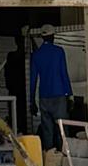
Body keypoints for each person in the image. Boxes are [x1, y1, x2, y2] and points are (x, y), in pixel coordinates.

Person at [28, 23, 73, 152]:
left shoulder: (36, 55)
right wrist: (70, 95)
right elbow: (64, 74)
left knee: (47, 131)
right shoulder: (59, 52)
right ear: (53, 36)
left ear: (42, 37)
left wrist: (32, 101)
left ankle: (50, 157)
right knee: (62, 130)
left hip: (44, 97)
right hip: (59, 96)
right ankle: (64, 157)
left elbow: (33, 80)